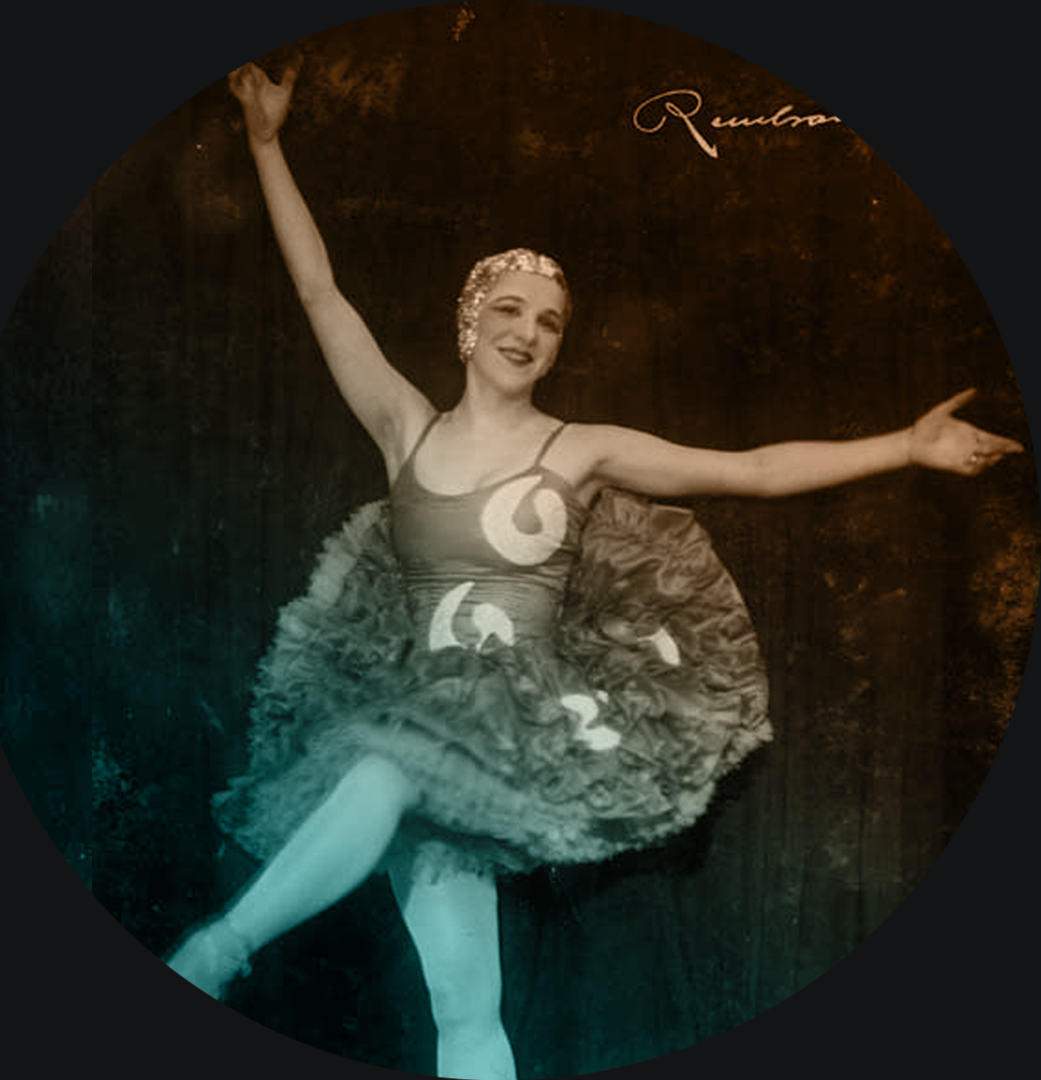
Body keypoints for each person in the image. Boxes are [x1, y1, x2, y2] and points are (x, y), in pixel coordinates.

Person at [167, 59, 1023, 1080]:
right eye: (510, 310)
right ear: (470, 319)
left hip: (506, 722)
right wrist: (265, 143)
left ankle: (214, 954)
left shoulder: (580, 449)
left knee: (385, 774)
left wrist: (906, 446)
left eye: (548, 323)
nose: (528, 333)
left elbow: (751, 470)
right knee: (465, 1007)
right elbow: (320, 292)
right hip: (412, 706)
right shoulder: (405, 429)